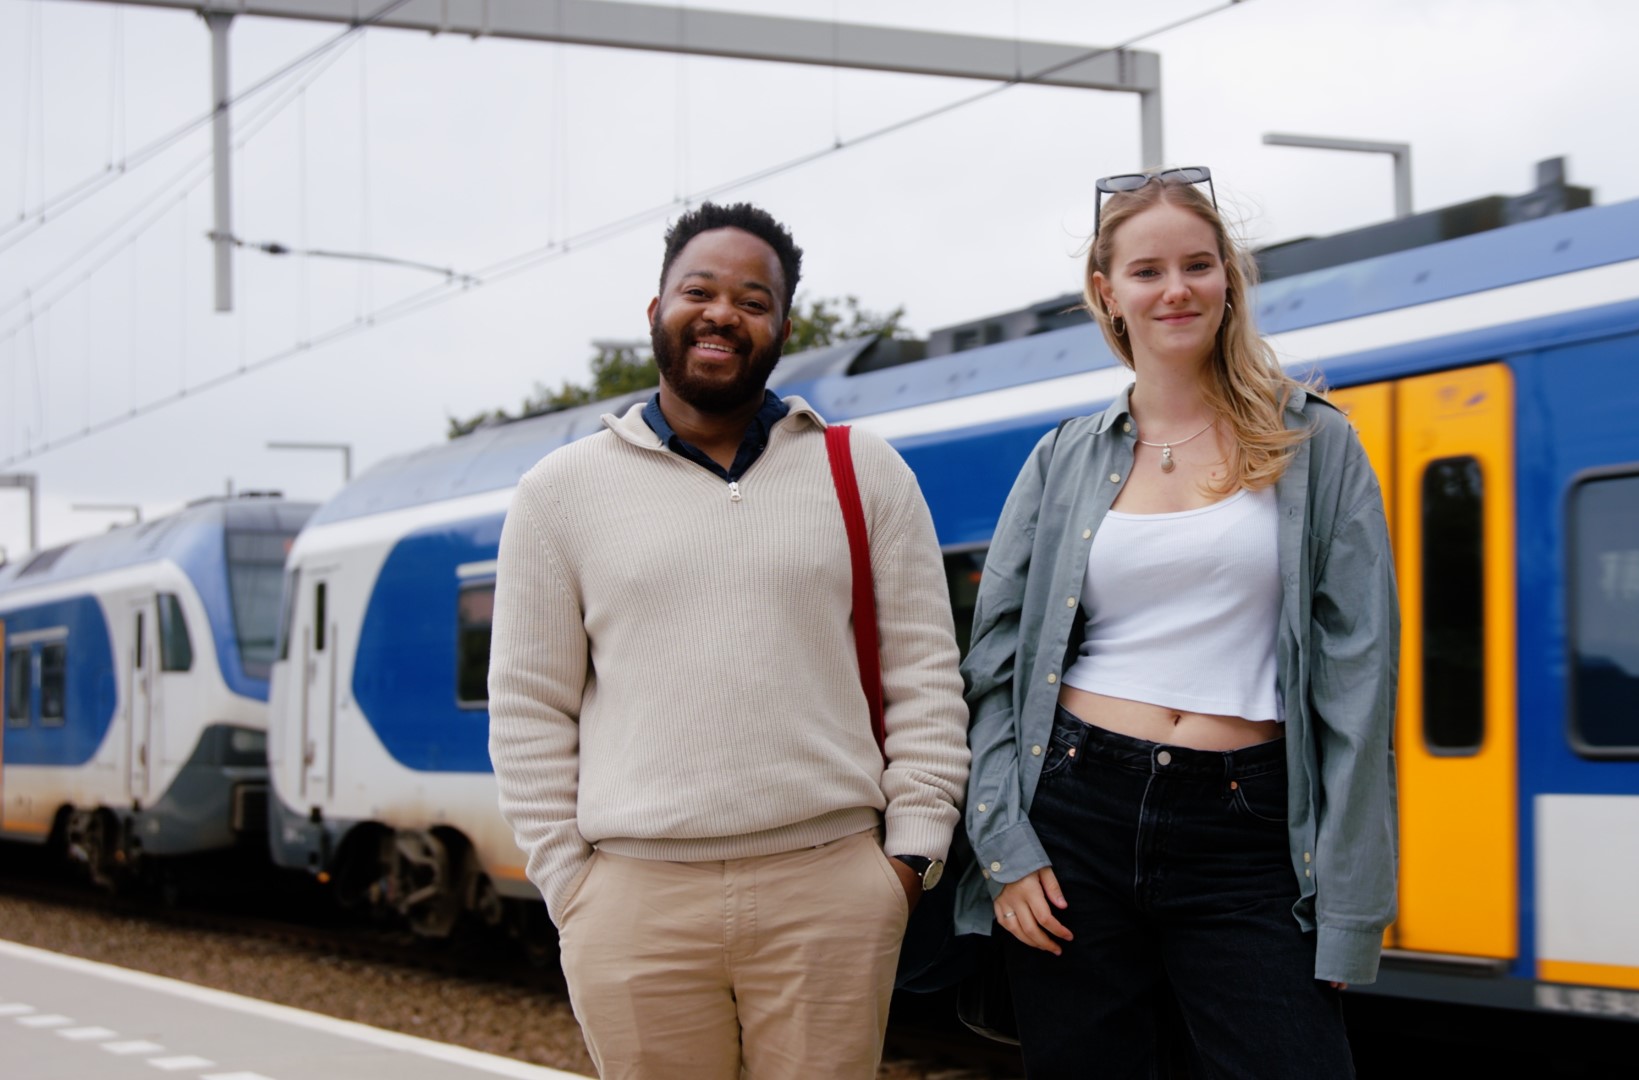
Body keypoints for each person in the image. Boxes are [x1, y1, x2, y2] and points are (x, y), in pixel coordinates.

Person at [488, 201, 971, 1080]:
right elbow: (528, 706)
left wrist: (909, 858)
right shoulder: (559, 493)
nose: (722, 313)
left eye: (753, 299)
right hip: (633, 900)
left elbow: (927, 677)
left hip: (830, 888)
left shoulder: (863, 470)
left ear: (783, 327)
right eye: (698, 290)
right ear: (656, 311)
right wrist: (570, 885)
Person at [956, 168, 1399, 1078]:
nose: (1177, 289)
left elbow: (1359, 684)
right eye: (1148, 270)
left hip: (1246, 826)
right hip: (1075, 812)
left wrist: (1353, 908)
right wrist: (1005, 848)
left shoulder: (1317, 445)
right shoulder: (1060, 459)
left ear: (1228, 279)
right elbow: (990, 669)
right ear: (1106, 292)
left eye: (1198, 265)